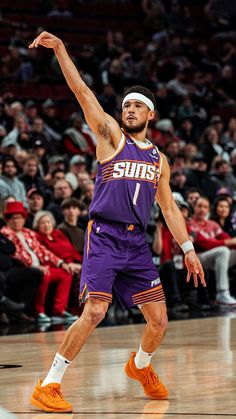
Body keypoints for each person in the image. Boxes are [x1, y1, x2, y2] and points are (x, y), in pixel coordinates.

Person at [29, 31, 205, 413]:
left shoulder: (159, 159)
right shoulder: (110, 136)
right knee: (94, 310)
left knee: (159, 322)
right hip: (105, 235)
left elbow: (170, 210)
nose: (129, 110)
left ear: (150, 114)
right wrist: (61, 48)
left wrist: (188, 248)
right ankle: (49, 384)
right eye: (125, 105)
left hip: (136, 243)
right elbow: (82, 93)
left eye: (137, 106)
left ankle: (140, 367)